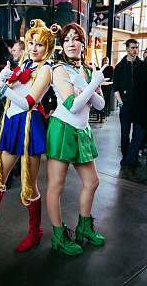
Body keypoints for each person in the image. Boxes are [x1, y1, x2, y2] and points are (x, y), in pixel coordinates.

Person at [0, 19, 61, 252]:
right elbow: (11, 97)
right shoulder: (25, 63)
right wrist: (2, 81)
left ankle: (35, 231)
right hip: (12, 123)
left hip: (30, 126)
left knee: (29, 185)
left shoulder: (46, 69)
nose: (33, 48)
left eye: (39, 45)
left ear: (47, 47)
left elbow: (29, 102)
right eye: (31, 42)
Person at [45, 23, 106, 256]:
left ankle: (84, 227)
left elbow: (100, 105)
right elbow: (71, 106)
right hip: (62, 129)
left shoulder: (89, 70)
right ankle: (59, 236)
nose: (71, 43)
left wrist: (88, 85)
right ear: (62, 45)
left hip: (82, 131)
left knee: (92, 182)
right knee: (56, 186)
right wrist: (91, 87)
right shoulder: (59, 69)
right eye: (67, 39)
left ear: (83, 43)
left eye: (76, 38)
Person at [113, 39, 143, 169]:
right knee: (125, 134)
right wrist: (121, 103)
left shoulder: (141, 65)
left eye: (136, 48)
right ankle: (125, 157)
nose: (135, 50)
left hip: (139, 107)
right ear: (127, 48)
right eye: (132, 48)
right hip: (125, 105)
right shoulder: (120, 67)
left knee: (138, 134)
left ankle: (133, 157)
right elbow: (116, 87)